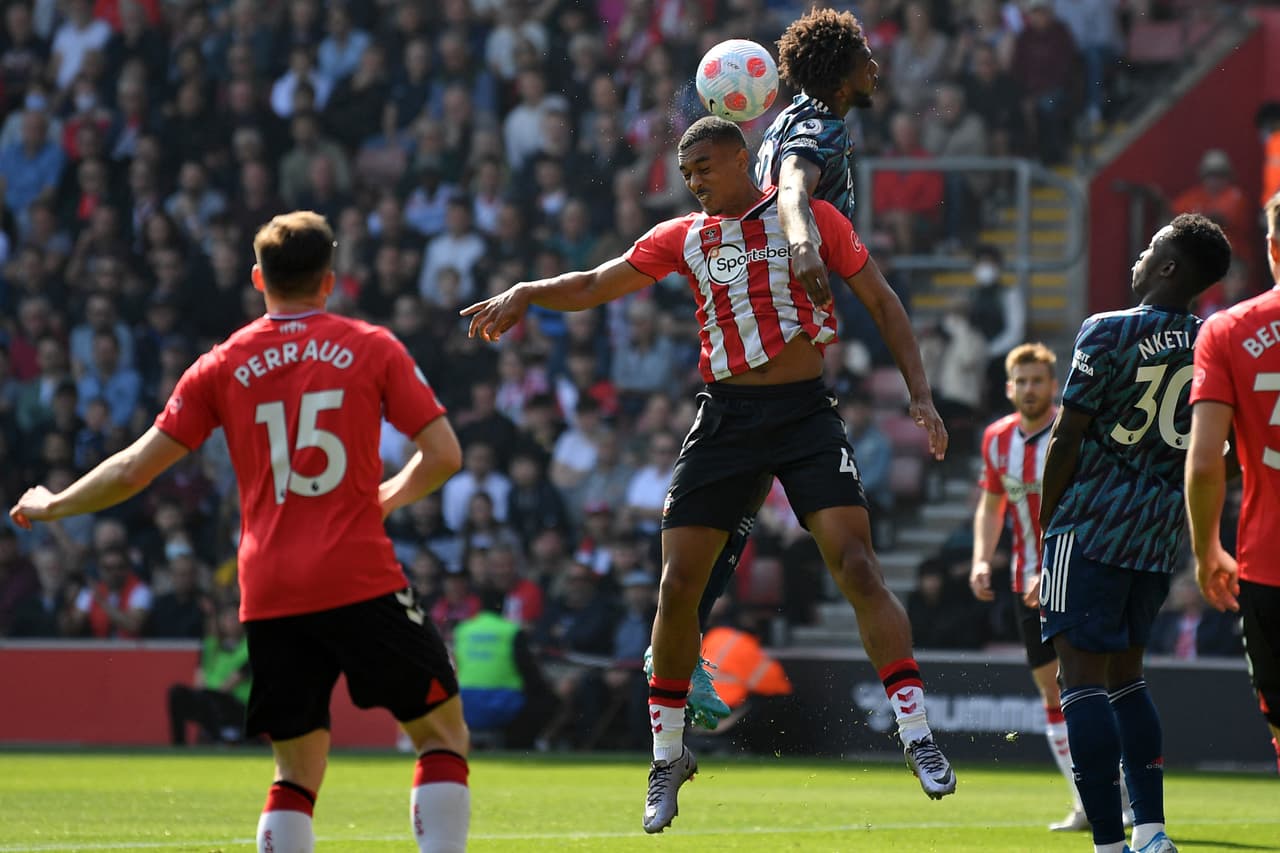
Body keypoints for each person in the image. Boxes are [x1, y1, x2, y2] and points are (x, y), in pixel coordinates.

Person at [461, 116, 955, 835]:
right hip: (725, 418)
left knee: (857, 564)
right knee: (675, 584)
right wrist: (530, 290)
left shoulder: (807, 218)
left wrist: (920, 392)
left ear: (740, 159)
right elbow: (599, 281)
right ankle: (668, 758)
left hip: (804, 414)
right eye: (685, 172)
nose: (692, 180)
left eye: (702, 167)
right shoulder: (683, 236)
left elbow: (883, 301)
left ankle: (915, 731)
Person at [9, 211, 471, 853]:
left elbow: (135, 468)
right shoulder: (372, 347)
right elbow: (444, 454)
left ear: (259, 278)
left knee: (295, 773)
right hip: (356, 571)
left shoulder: (221, 364)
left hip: (270, 587)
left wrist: (53, 503)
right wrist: (387, 497)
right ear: (329, 281)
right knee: (441, 736)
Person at [672, 7, 938, 734]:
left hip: (757, 314)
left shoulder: (785, 115)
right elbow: (793, 188)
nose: (876, 70)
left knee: (733, 513)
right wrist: (802, 245)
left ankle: (682, 647)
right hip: (790, 304)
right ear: (841, 69)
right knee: (784, 517)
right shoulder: (818, 125)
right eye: (866, 60)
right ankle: (683, 650)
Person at [1039, 213, 1232, 853]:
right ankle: (1150, 832)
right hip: (1155, 533)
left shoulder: (1107, 330)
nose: (1139, 257)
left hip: (1089, 523)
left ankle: (1106, 842)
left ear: (1170, 268)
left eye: (1150, 249)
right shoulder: (1210, 342)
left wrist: (1049, 516)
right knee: (1129, 679)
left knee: (1081, 681)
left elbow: (1067, 434)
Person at [970, 342, 1089, 832]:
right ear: (1008, 387)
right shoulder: (996, 439)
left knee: (1092, 687)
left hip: (1079, 574)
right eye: (1022, 381)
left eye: (1038, 380)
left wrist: (1056, 566)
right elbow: (991, 505)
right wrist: (980, 557)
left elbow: (1088, 507)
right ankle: (1086, 801)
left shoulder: (1072, 433)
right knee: (1050, 691)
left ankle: (1122, 792)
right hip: (1026, 582)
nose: (1030, 389)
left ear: (1053, 385)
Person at [1186, 191, 1280, 776]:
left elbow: (1203, 462)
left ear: (1272, 248)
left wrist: (1205, 550)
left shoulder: (1225, 331)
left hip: (1268, 563)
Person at [168, 603, 252, 746]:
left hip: (236, 705)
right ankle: (178, 745)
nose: (231, 622)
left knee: (211, 699)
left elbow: (231, 683)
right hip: (209, 699)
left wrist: (205, 696)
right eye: (227, 618)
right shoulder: (211, 646)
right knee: (176, 693)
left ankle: (220, 738)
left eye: (235, 618)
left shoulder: (251, 646)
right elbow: (199, 677)